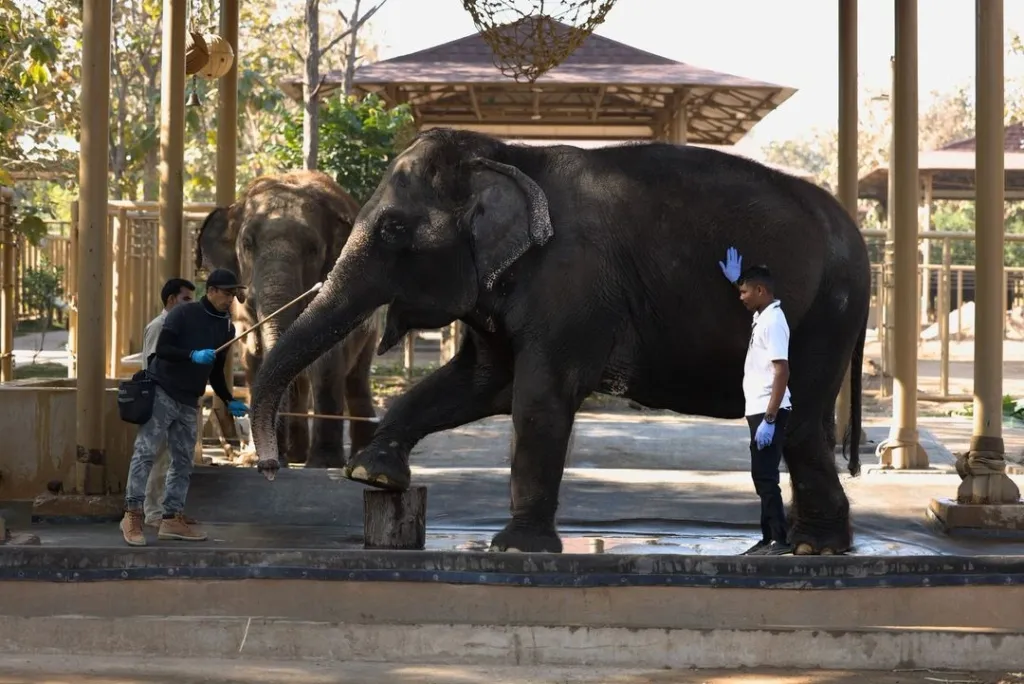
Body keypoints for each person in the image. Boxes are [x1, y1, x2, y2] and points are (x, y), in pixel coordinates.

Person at [119, 268, 250, 546]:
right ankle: (132, 515)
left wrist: (229, 399)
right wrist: (191, 355)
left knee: (181, 462)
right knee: (145, 452)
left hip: (190, 400)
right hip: (163, 391)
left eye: (234, 294)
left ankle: (171, 518)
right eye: (227, 293)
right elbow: (163, 349)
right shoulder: (183, 313)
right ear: (211, 290)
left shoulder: (226, 326)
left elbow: (214, 370)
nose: (231, 299)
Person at [719, 247, 793, 556]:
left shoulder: (773, 321)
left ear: (761, 291)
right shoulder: (763, 316)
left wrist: (771, 418)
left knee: (766, 477)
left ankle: (779, 540)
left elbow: (782, 370)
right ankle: (768, 538)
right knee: (761, 476)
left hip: (768, 409)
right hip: (760, 409)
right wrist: (737, 281)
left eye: (746, 291)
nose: (742, 297)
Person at [141, 277, 196, 529]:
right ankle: (153, 512)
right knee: (159, 457)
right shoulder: (159, 326)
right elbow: (154, 365)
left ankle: (171, 512)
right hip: (160, 399)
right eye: (186, 299)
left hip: (178, 400)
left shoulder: (179, 328)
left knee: (177, 459)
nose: (189, 305)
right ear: (171, 299)